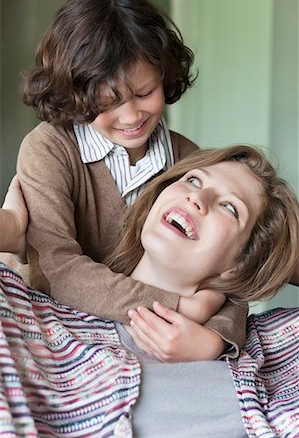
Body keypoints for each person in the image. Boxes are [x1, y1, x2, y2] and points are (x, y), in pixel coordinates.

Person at [1, 145, 298, 436]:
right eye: (193, 180)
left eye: (229, 207)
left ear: (239, 264)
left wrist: (215, 341)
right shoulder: (25, 313)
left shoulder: (266, 352)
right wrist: (10, 228)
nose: (197, 197)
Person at [17, 0, 248, 361]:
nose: (131, 117)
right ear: (74, 93)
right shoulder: (48, 150)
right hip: (62, 334)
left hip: (153, 345)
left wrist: (215, 340)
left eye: (145, 93)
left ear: (165, 75)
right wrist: (178, 306)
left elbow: (229, 275)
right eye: (107, 104)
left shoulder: (188, 164)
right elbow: (57, 269)